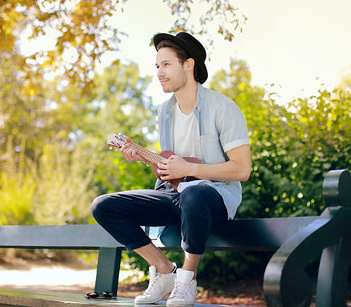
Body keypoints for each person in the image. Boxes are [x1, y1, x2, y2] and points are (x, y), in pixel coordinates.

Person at [91, 31, 251, 306]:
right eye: (157, 66)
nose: (159, 72)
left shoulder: (223, 108)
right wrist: (144, 157)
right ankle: (165, 271)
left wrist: (188, 168)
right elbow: (173, 171)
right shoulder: (165, 112)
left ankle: (187, 281)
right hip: (176, 196)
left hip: (214, 199)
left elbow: (241, 170)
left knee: (195, 194)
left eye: (166, 65)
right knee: (103, 206)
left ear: (188, 65)